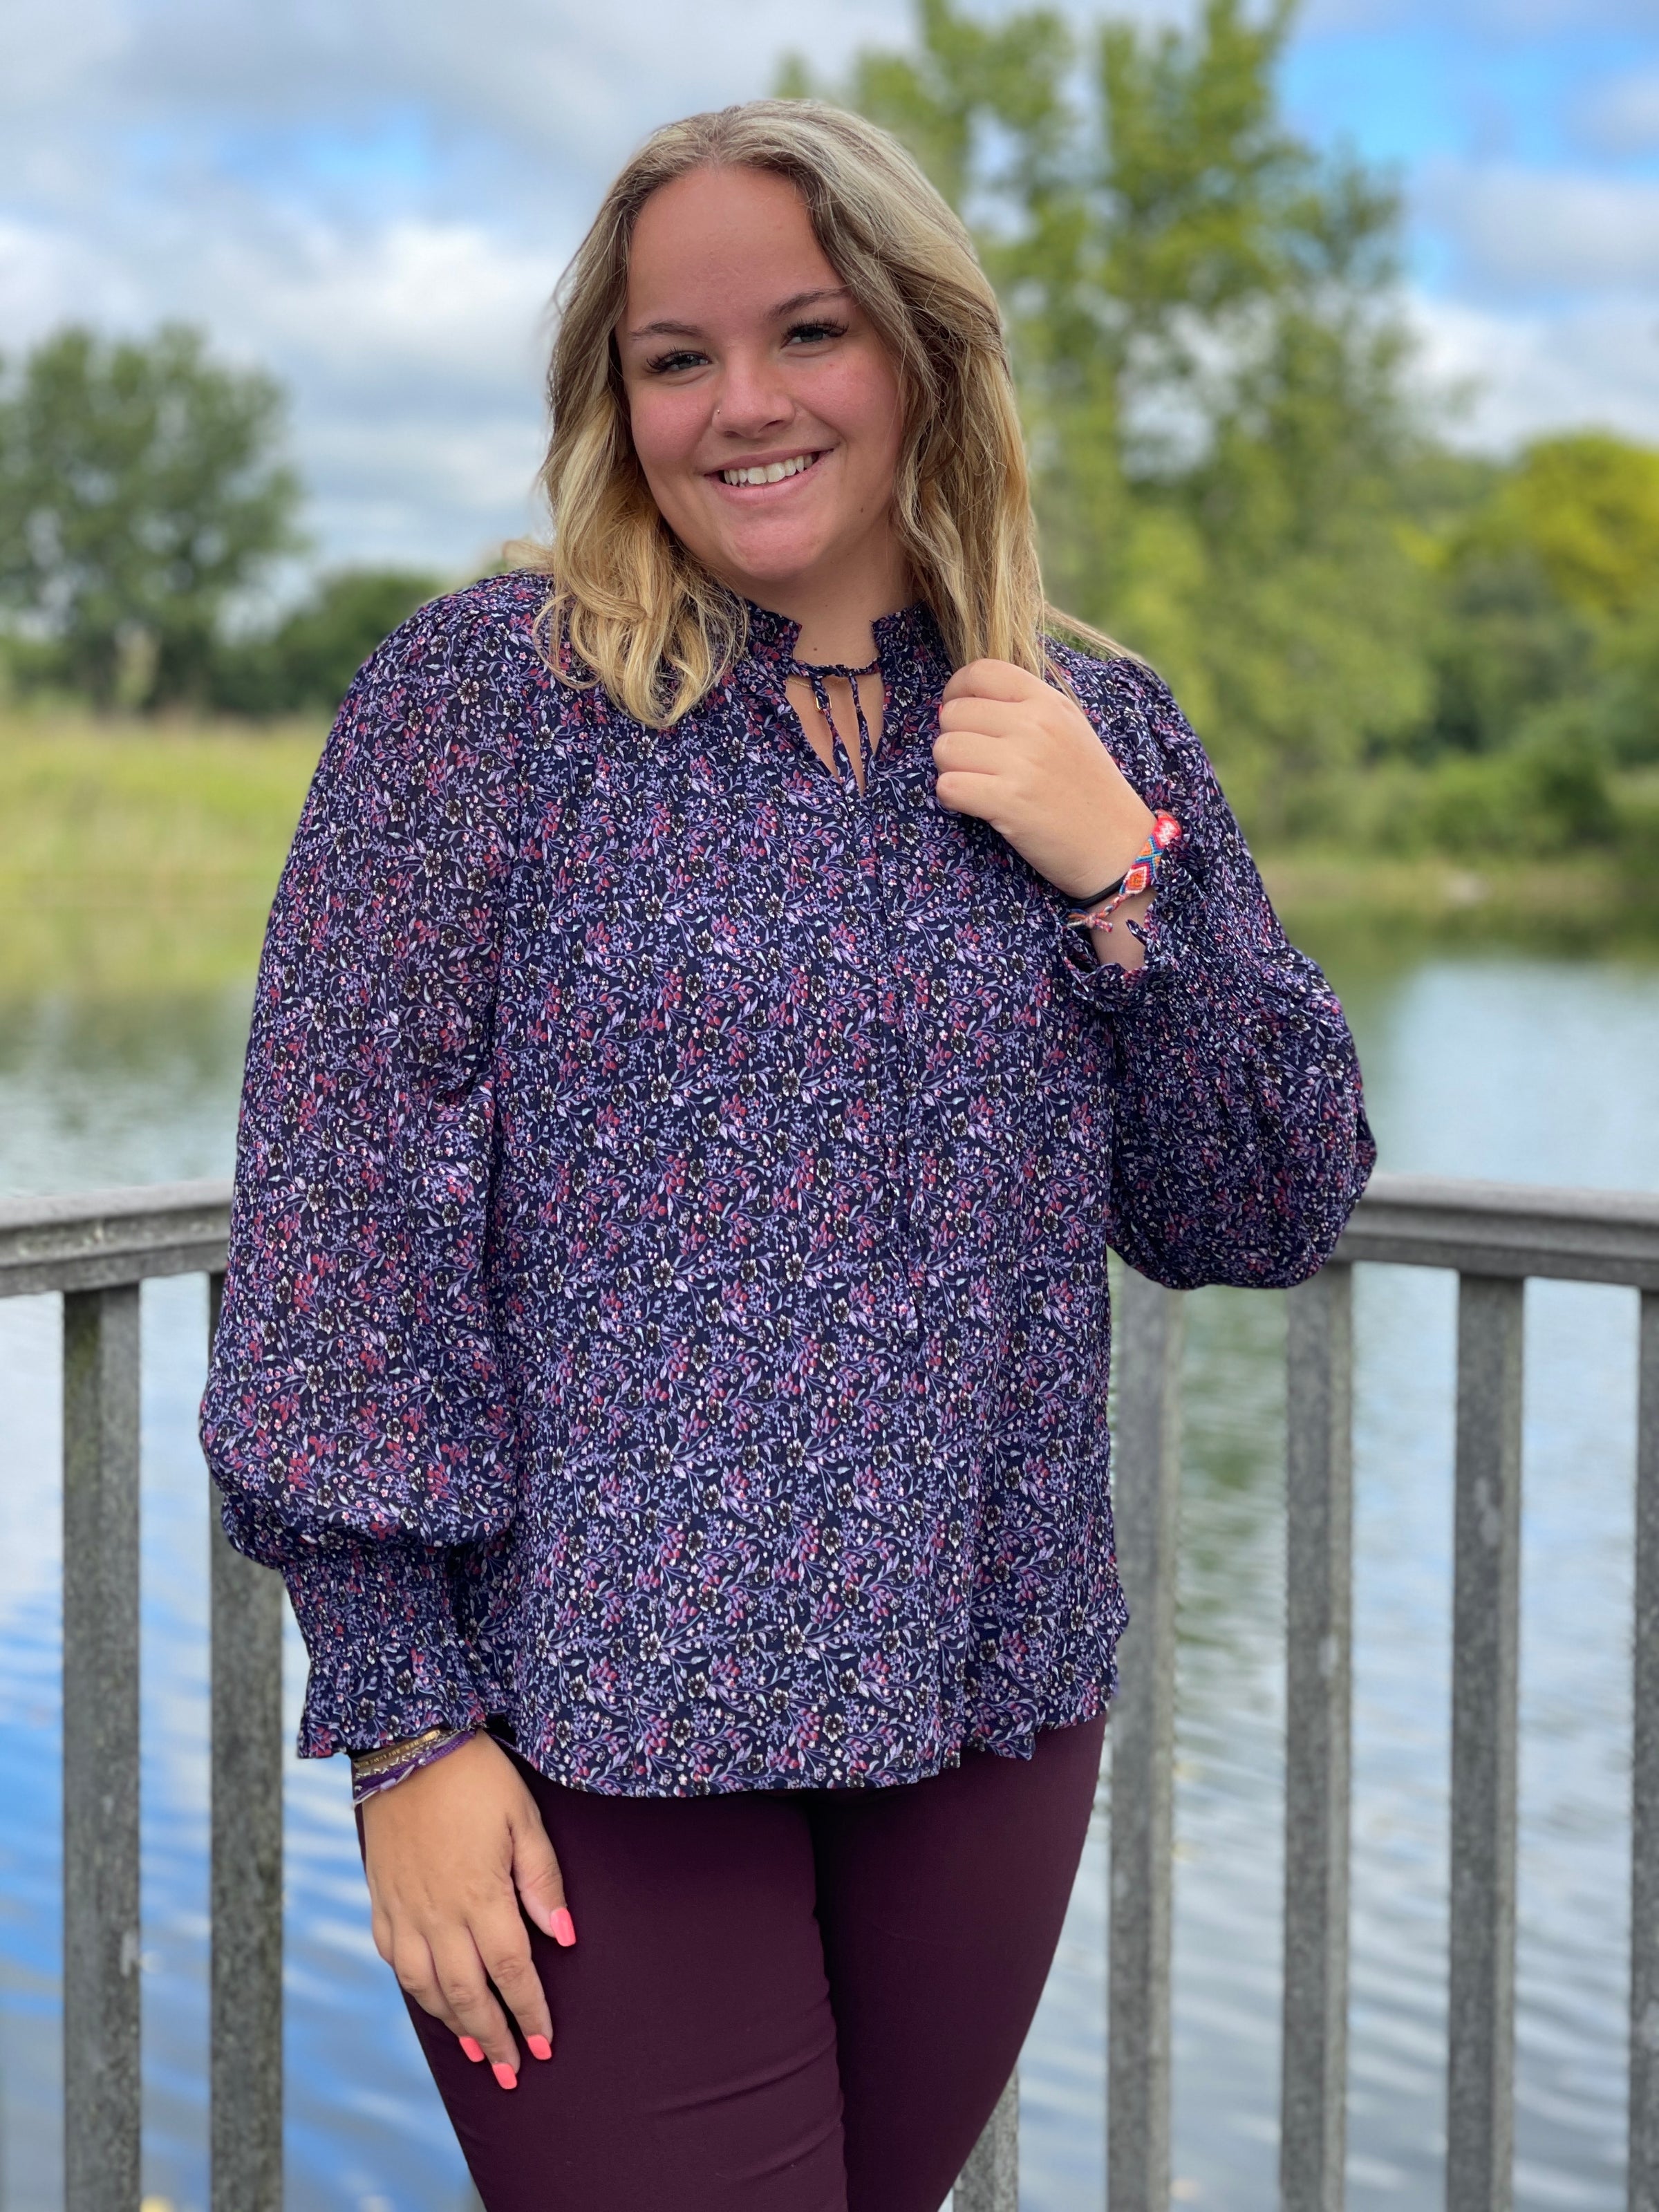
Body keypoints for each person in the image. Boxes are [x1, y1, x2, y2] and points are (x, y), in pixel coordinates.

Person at [200, 97, 1374, 2212]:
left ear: (923, 350)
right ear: (617, 396)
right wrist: (403, 1723)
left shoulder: (1093, 725)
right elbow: (338, 1234)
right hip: (587, 1724)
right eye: (678, 356)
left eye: (808, 332)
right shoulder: (486, 707)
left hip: (986, 1703)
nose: (743, 403)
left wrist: (1124, 875)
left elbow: (1266, 1204)